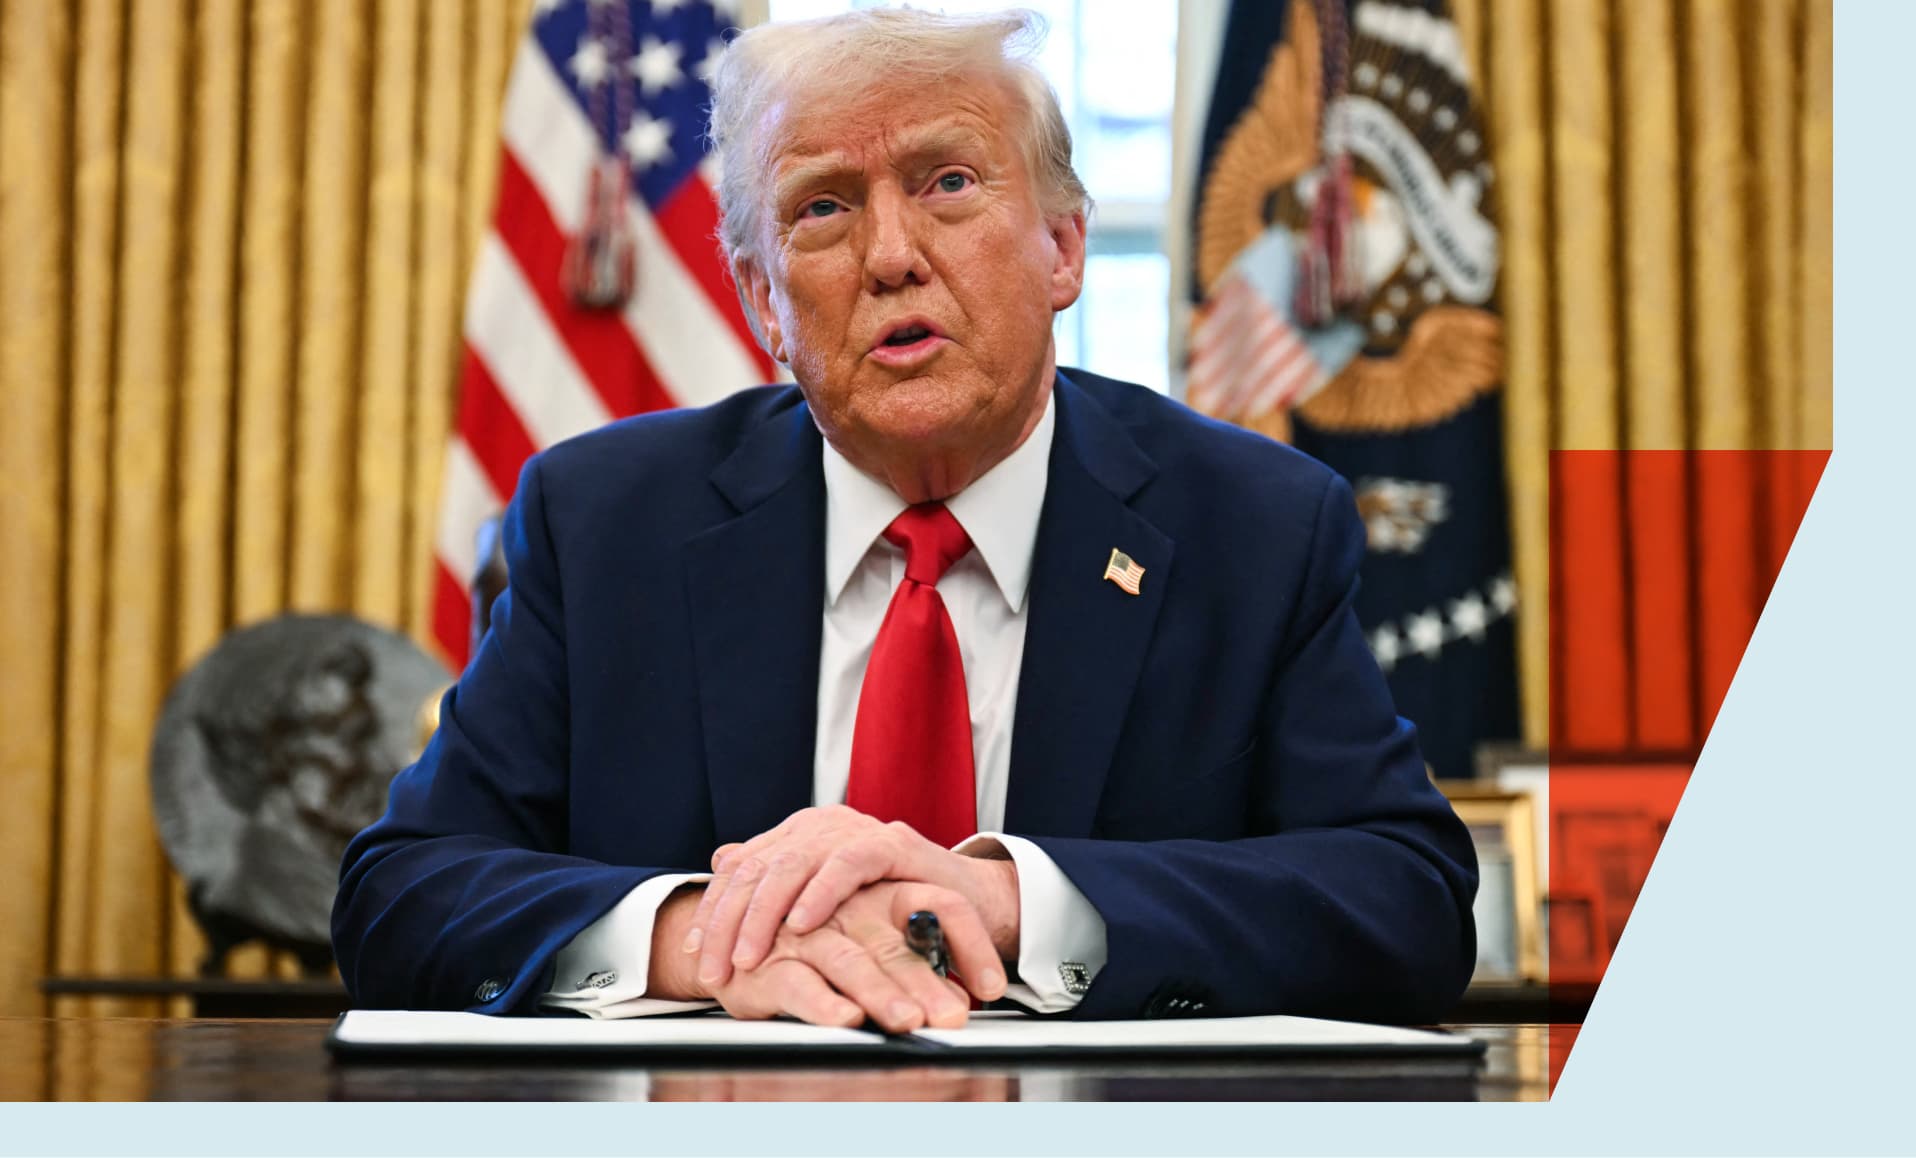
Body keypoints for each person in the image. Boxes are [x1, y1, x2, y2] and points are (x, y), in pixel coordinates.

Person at [332, 7, 1476, 1031]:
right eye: (823, 208)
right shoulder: (604, 524)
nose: (890, 256)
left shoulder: (1253, 526)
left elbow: (1405, 899)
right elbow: (402, 892)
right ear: (765, 300)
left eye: (949, 183)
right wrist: (709, 937)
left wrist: (1000, 900)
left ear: (1063, 247)